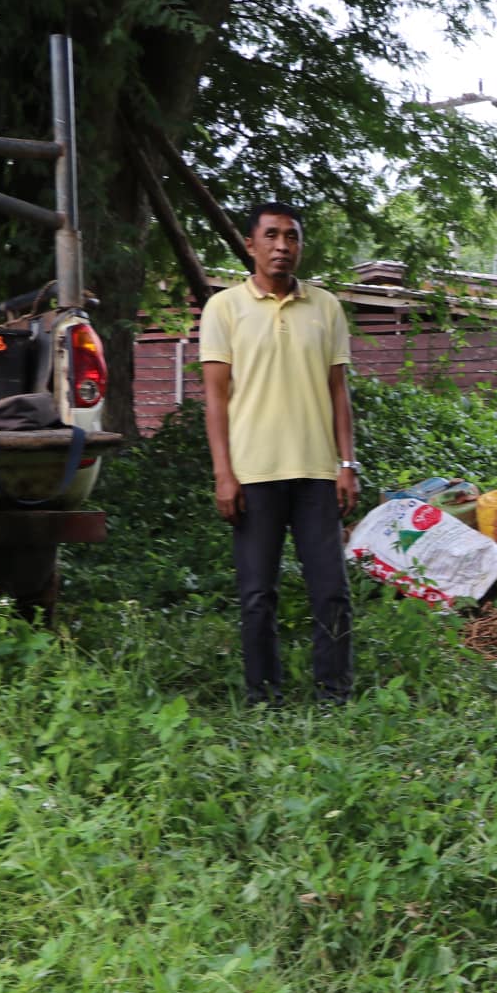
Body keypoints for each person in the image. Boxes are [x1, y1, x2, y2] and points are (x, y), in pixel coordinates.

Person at [201, 202, 359, 704]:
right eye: (270, 236)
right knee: (256, 595)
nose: (282, 246)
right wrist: (224, 474)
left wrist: (347, 464)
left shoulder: (325, 307)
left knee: (331, 591)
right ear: (251, 245)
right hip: (254, 474)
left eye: (291, 237)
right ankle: (262, 695)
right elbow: (215, 399)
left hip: (317, 472)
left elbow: (339, 392)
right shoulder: (224, 309)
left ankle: (334, 693)